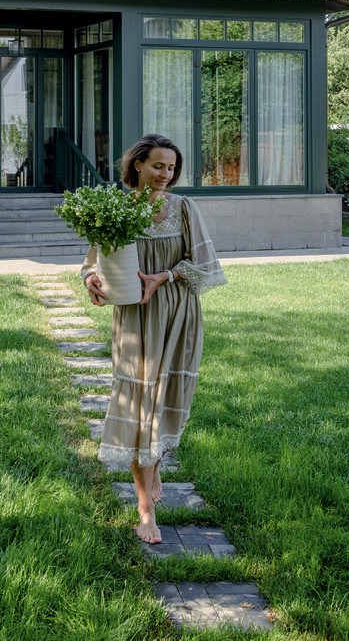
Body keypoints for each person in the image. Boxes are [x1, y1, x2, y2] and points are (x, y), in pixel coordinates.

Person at [80, 133, 226, 545]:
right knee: (140, 404)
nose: (166, 174)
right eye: (158, 165)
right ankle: (145, 510)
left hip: (179, 312)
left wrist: (165, 276)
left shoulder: (184, 208)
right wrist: (91, 280)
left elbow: (206, 264)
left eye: (172, 168)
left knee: (167, 399)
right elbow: (92, 263)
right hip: (136, 317)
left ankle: (155, 463)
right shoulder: (115, 209)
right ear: (138, 165)